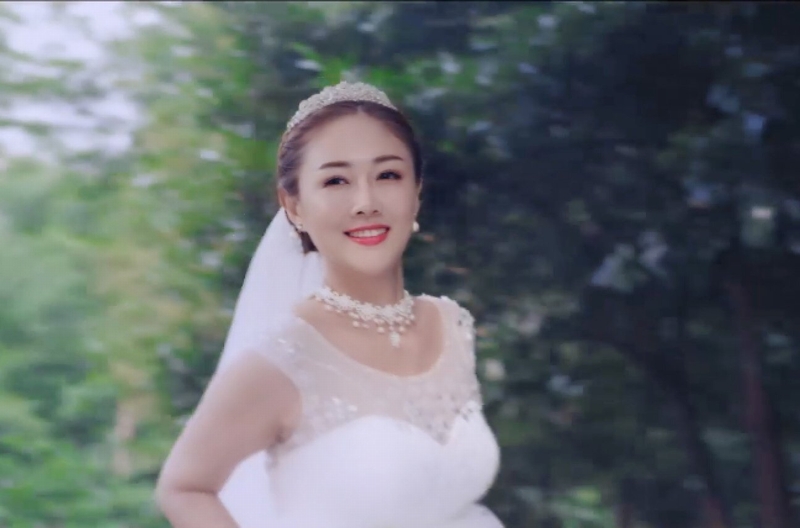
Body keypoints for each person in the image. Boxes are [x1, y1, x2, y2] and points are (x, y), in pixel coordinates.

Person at [155, 81, 504, 528]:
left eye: (388, 175)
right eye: (336, 180)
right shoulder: (282, 360)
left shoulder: (450, 324)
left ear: (416, 191)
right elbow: (184, 487)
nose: (365, 202)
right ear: (294, 206)